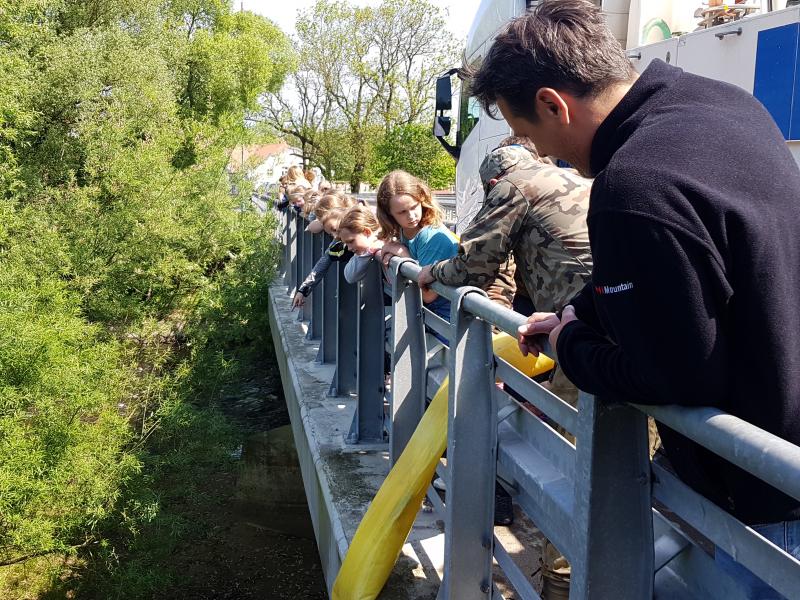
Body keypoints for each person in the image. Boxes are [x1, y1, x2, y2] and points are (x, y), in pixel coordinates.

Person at [469, 0, 800, 595]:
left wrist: (569, 343)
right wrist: (580, 310)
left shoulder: (631, 186)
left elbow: (672, 378)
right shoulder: (728, 107)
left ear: (553, 104)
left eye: (530, 135)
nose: (541, 154)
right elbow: (700, 262)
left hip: (765, 501)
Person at [376, 171, 458, 323]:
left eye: (414, 207)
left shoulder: (430, 236)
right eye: (402, 212)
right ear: (389, 214)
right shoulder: (404, 230)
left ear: (422, 200)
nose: (411, 216)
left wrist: (403, 255)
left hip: (447, 318)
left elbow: (428, 295)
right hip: (429, 313)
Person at [292, 208, 353, 309]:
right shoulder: (337, 241)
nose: (335, 236)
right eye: (331, 234)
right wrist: (302, 290)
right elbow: (321, 266)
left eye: (334, 230)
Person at [338, 205, 384, 284]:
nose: (349, 248)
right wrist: (368, 253)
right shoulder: (365, 249)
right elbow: (350, 277)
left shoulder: (390, 241)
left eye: (351, 241)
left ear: (367, 232)